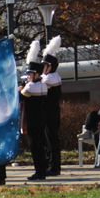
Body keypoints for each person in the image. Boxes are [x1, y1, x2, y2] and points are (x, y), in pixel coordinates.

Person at [20, 41, 49, 181]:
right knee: (40, 145)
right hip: (42, 118)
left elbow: (20, 97)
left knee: (35, 147)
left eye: (30, 74)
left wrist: (20, 88)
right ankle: (42, 170)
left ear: (36, 74)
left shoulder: (31, 87)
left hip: (33, 119)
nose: (28, 77)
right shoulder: (43, 85)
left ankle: (39, 172)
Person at [42, 36, 63, 176]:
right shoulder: (52, 77)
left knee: (51, 140)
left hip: (50, 112)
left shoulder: (51, 78)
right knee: (50, 139)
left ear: (50, 66)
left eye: (45, 66)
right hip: (51, 111)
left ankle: (54, 166)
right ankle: (51, 164)